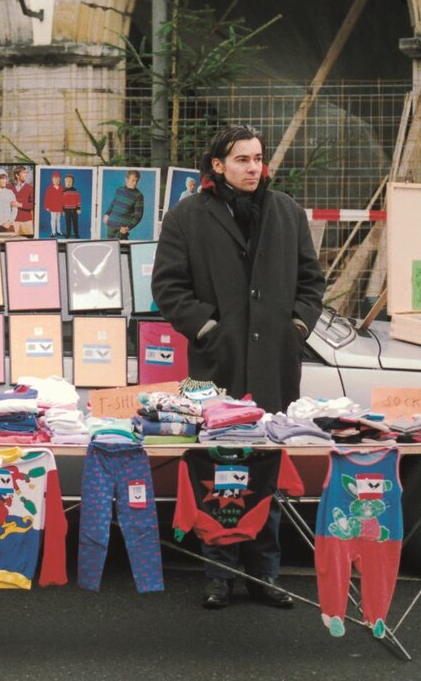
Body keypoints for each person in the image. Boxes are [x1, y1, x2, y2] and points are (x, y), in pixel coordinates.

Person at [151, 125, 325, 611]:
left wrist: (296, 326)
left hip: (273, 364)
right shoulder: (188, 216)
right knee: (216, 470)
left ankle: (266, 575)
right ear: (218, 166)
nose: (254, 168)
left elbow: (311, 280)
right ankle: (219, 575)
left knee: (266, 469)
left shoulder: (286, 211)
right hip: (216, 367)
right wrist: (207, 328)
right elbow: (168, 287)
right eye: (243, 160)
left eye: (258, 159)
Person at [103, 169, 144, 239]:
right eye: (133, 180)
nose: (135, 183)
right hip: (110, 225)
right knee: (111, 248)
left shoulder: (138, 195)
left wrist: (128, 228)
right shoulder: (119, 189)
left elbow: (138, 216)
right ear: (126, 179)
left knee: (122, 249)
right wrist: (107, 214)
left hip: (122, 230)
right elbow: (113, 204)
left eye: (137, 181)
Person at [8, 165, 35, 236]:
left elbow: (33, 205)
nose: (26, 174)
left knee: (28, 243)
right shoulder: (9, 188)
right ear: (17, 175)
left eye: (26, 172)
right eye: (24, 172)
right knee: (12, 243)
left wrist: (20, 205)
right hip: (13, 221)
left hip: (27, 221)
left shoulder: (30, 188)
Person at [43, 170, 65, 237]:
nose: (56, 181)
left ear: (60, 180)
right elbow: (47, 198)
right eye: (55, 180)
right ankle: (53, 232)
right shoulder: (49, 188)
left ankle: (58, 231)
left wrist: (64, 207)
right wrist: (47, 206)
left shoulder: (62, 188)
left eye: (58, 180)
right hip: (52, 207)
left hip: (60, 206)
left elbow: (64, 198)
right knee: (53, 219)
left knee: (58, 219)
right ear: (52, 180)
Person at [61, 173, 82, 238]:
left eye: (70, 181)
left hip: (74, 210)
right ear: (64, 182)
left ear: (73, 182)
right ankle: (68, 234)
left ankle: (76, 234)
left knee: (75, 222)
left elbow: (78, 200)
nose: (68, 182)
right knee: (68, 222)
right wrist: (63, 210)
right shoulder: (63, 191)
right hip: (67, 210)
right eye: (66, 181)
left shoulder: (75, 191)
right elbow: (62, 202)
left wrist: (78, 208)